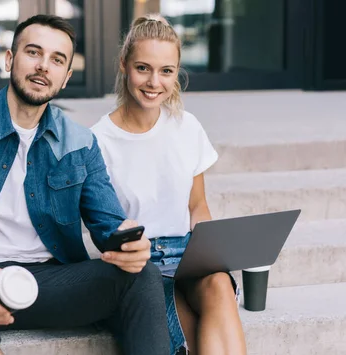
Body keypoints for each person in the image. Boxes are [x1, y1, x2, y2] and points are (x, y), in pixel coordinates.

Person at [0, 14, 170, 355]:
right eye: (33, 52)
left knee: (143, 275)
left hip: (49, 286)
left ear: (66, 77)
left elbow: (108, 225)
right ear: (10, 59)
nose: (44, 66)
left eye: (57, 60)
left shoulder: (80, 143)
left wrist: (129, 245)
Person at [91, 14, 247, 355]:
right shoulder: (98, 141)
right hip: (138, 263)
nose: (154, 82)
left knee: (220, 284)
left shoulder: (186, 127)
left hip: (189, 254)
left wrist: (213, 252)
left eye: (166, 71)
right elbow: (104, 226)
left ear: (177, 72)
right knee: (186, 334)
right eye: (143, 68)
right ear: (124, 65)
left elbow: (197, 206)